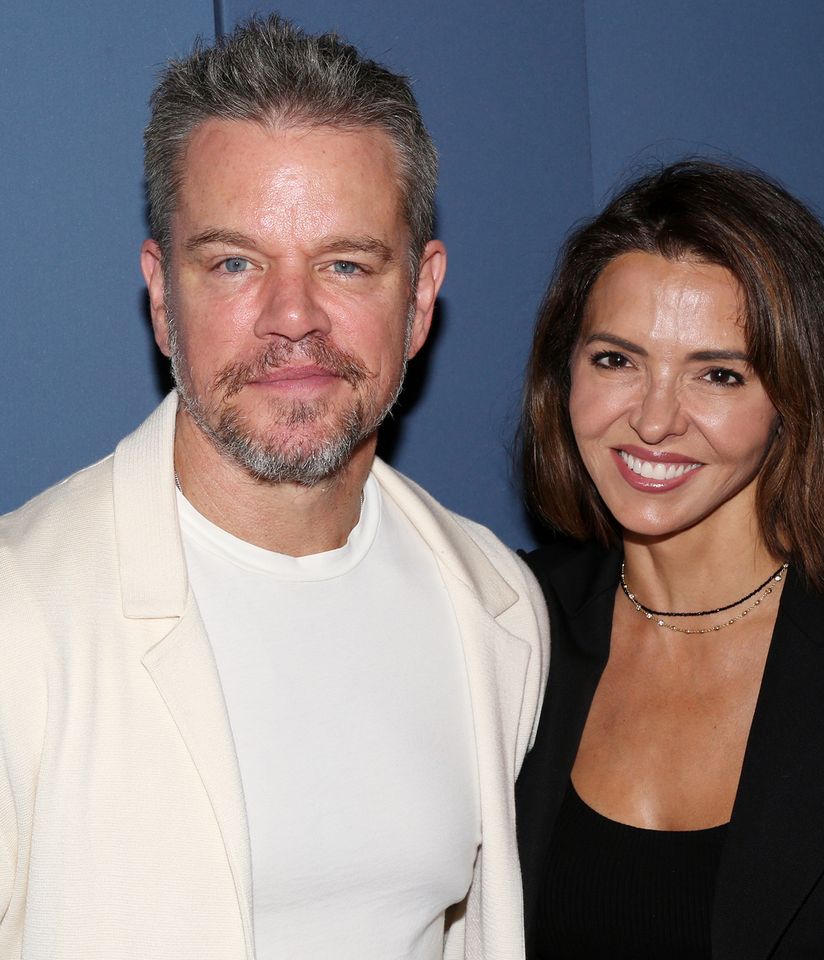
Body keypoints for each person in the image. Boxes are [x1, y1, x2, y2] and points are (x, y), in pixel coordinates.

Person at [0, 16, 547, 960]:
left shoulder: (498, 608)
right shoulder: (20, 615)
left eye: (344, 263)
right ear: (163, 294)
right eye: (235, 264)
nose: (292, 318)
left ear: (418, 298)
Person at [515, 160, 824, 959]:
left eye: (718, 375)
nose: (653, 421)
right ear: (564, 372)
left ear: (798, 398)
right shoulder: (505, 626)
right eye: (616, 360)